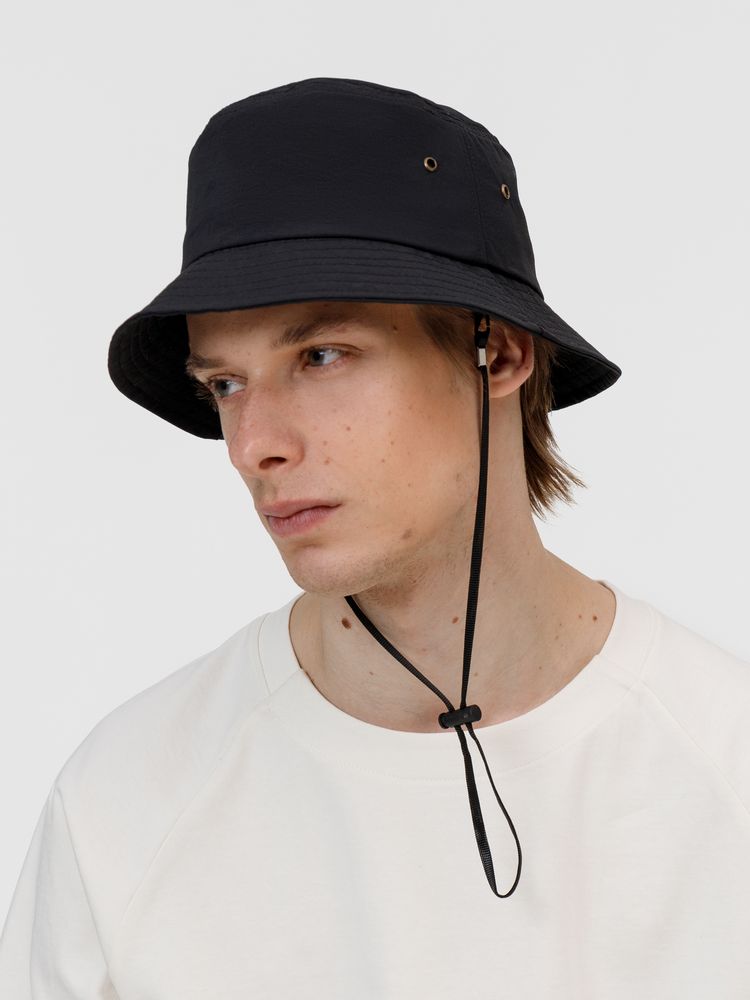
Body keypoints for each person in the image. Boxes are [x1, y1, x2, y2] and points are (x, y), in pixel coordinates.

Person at [1, 76, 749, 998]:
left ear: (501, 353)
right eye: (225, 384)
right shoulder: (124, 808)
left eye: (321, 356)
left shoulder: (726, 771)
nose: (254, 444)